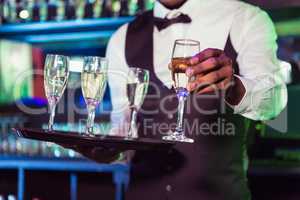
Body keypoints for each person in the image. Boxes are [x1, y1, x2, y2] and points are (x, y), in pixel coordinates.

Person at [67, 0, 287, 199]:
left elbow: (274, 104)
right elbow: (123, 128)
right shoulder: (121, 38)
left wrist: (234, 88)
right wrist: (108, 149)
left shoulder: (246, 18)